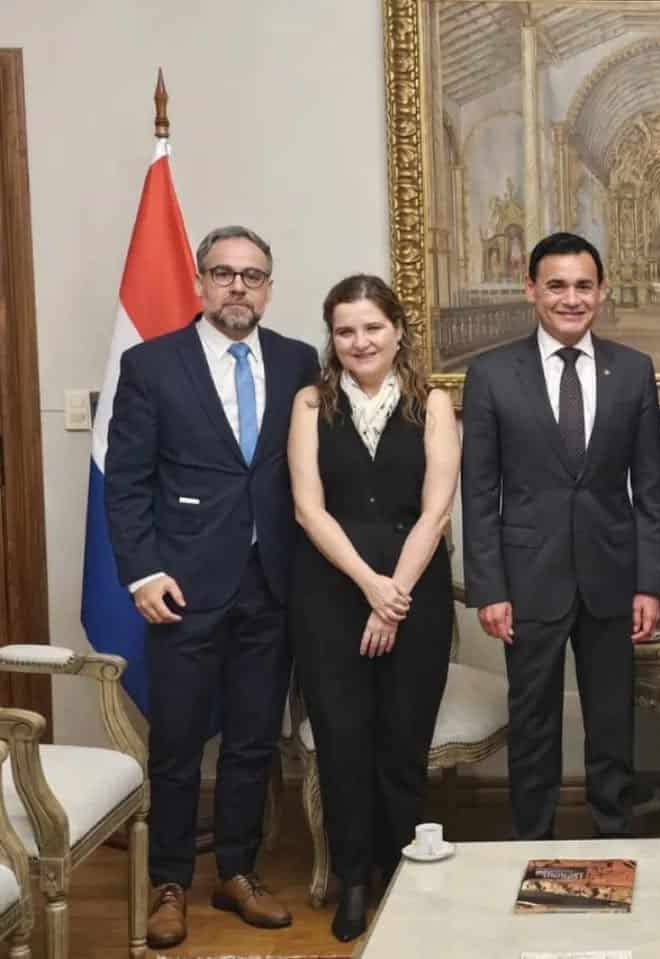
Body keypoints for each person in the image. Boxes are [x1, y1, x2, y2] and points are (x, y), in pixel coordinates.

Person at [104, 225, 318, 948]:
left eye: (252, 275)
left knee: (253, 741)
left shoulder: (297, 360)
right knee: (176, 745)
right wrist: (142, 572)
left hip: (271, 583)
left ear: (268, 288)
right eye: (223, 273)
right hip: (182, 585)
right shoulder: (151, 364)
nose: (237, 287)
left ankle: (237, 872)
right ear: (200, 282)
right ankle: (169, 883)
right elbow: (127, 482)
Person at [461, 232, 660, 840]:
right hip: (527, 581)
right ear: (531, 289)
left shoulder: (632, 370)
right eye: (556, 285)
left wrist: (651, 583)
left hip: (613, 578)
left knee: (612, 725)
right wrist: (490, 589)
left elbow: (652, 489)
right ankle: (530, 846)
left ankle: (615, 841)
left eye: (583, 286)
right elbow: (480, 493)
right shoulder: (492, 374)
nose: (571, 299)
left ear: (601, 292)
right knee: (533, 725)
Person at [287, 274, 459, 941]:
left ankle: (403, 872)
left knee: (402, 740)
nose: (359, 342)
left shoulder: (433, 402)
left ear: (398, 330)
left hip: (414, 594)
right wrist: (369, 585)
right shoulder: (310, 402)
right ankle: (353, 878)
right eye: (345, 331)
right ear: (332, 337)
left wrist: (392, 600)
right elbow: (309, 509)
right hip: (330, 594)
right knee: (342, 740)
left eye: (372, 328)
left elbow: (436, 510)